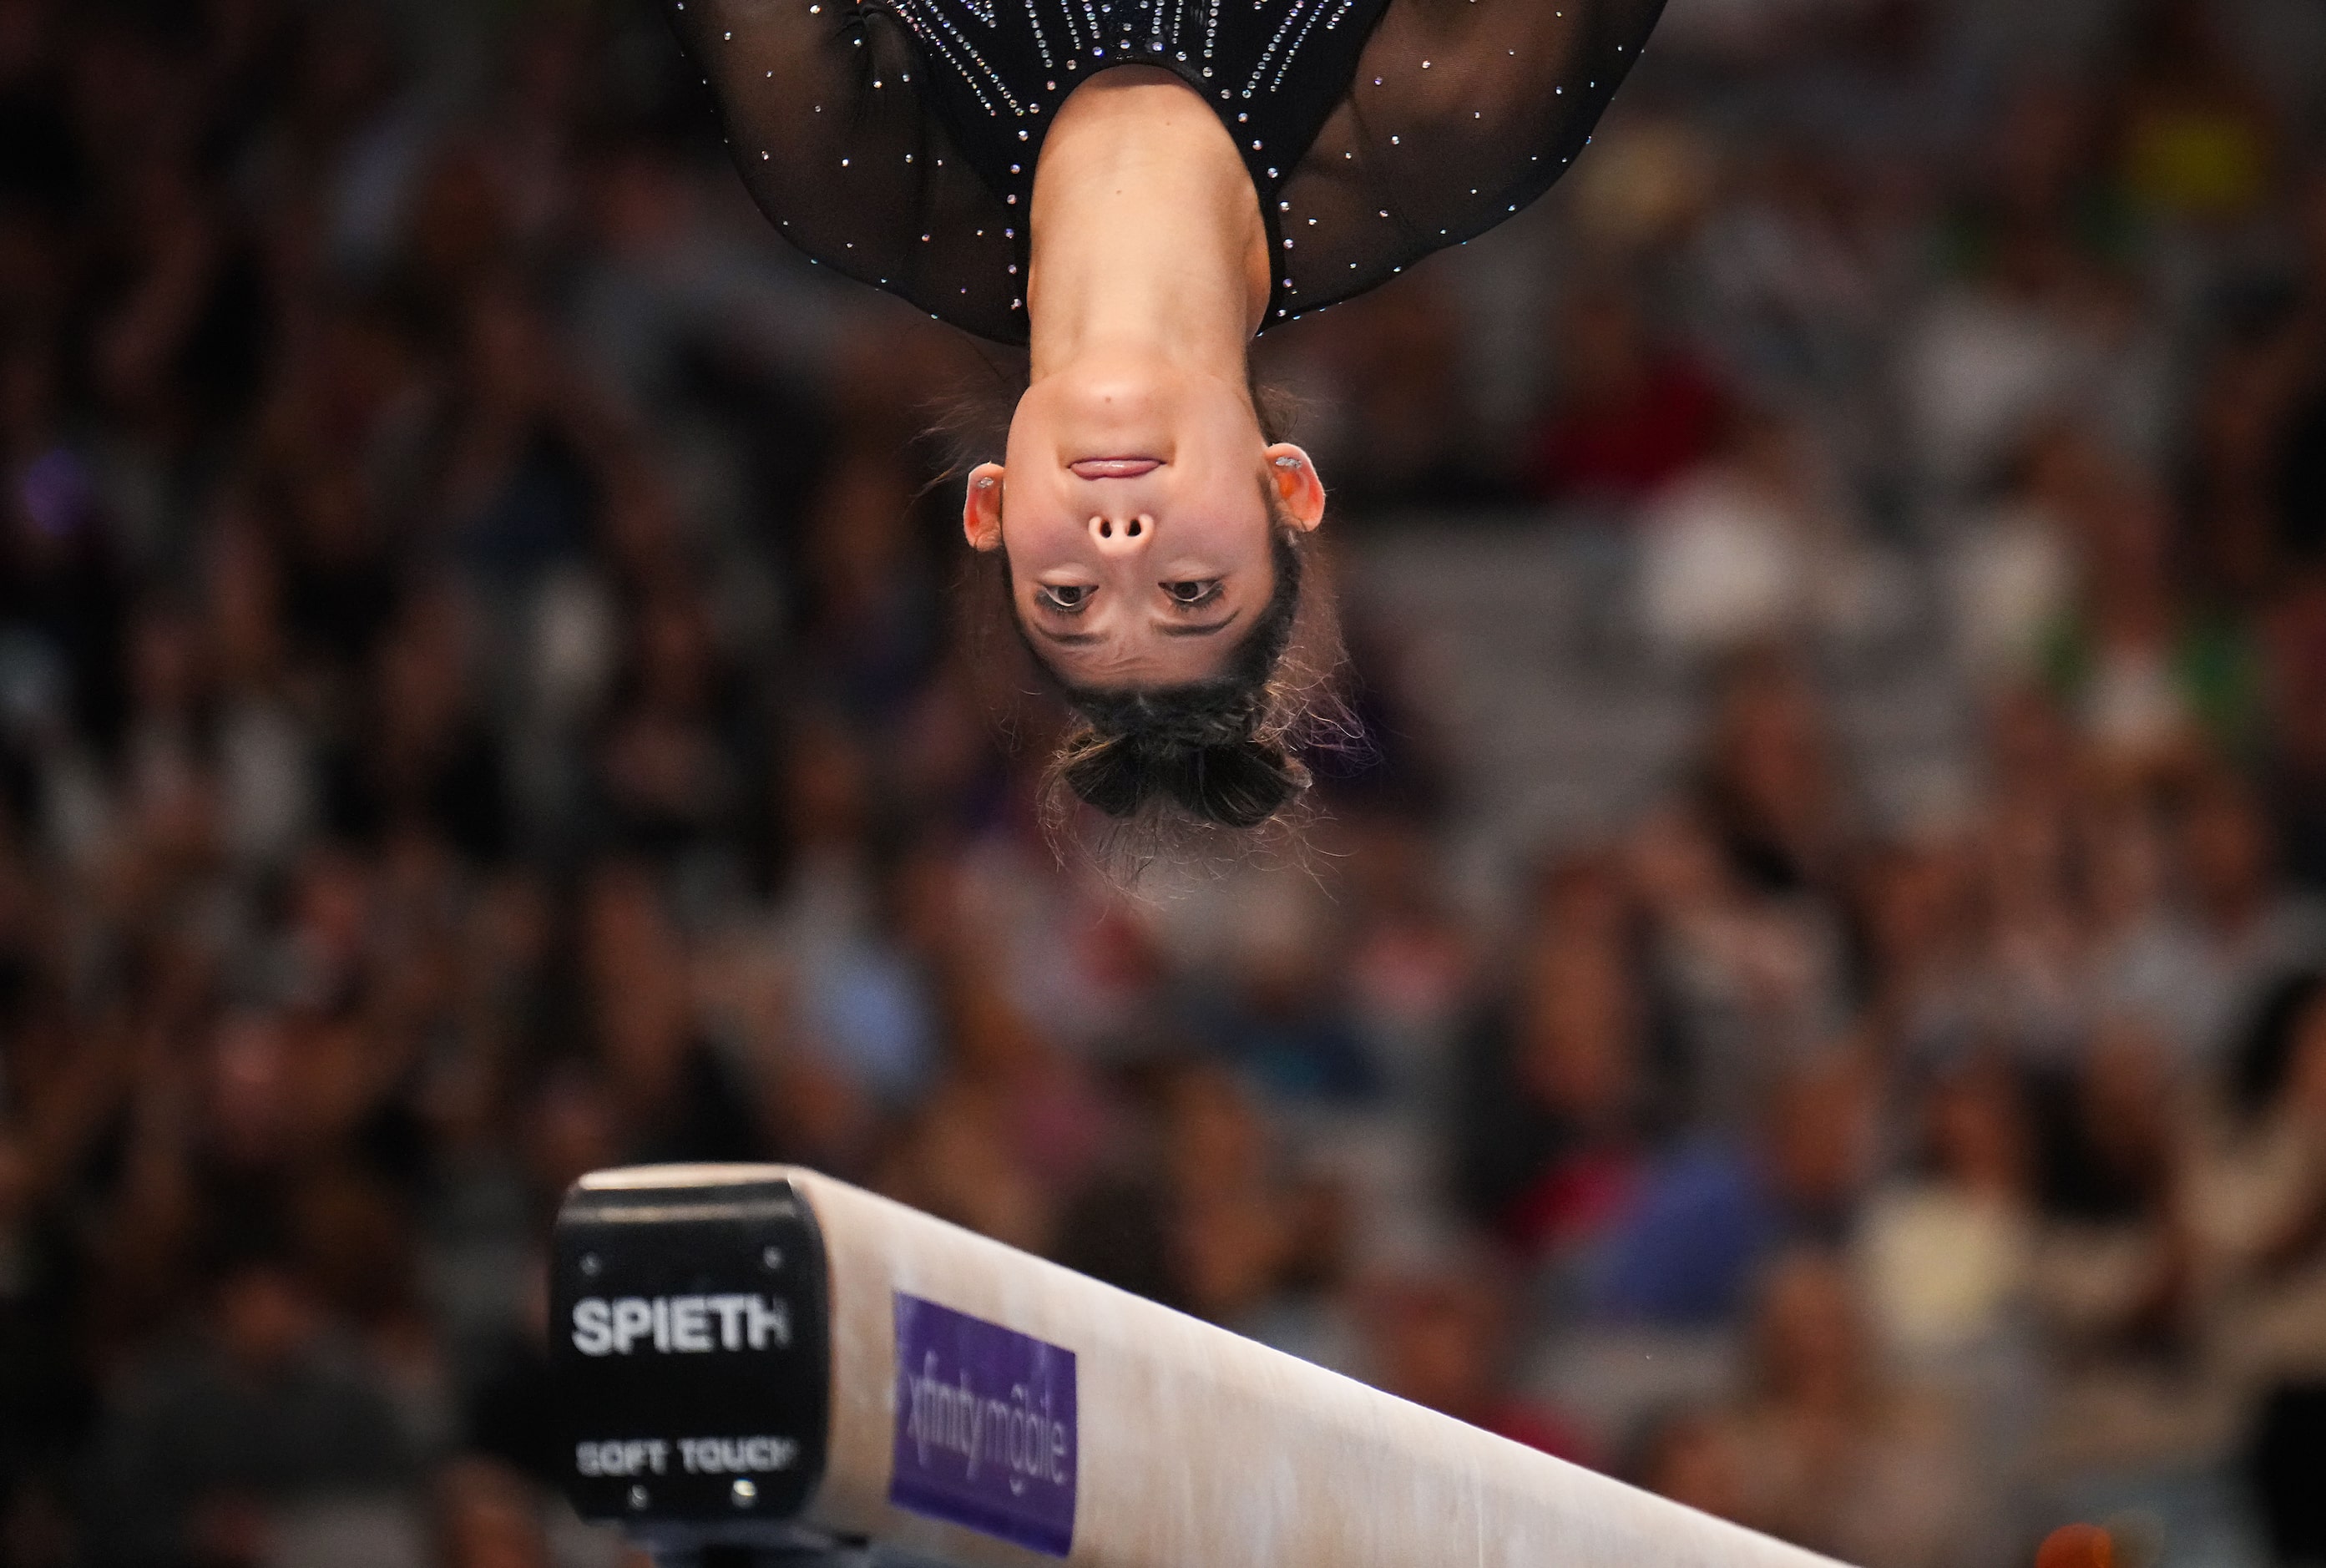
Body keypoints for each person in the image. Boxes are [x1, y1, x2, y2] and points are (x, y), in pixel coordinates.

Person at [669, 0, 1664, 837]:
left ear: (991, 511)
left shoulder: (856, 168)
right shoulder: (1446, 118)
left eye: (1067, 598)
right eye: (1190, 589)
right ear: (1287, 491)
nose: (1121, 544)